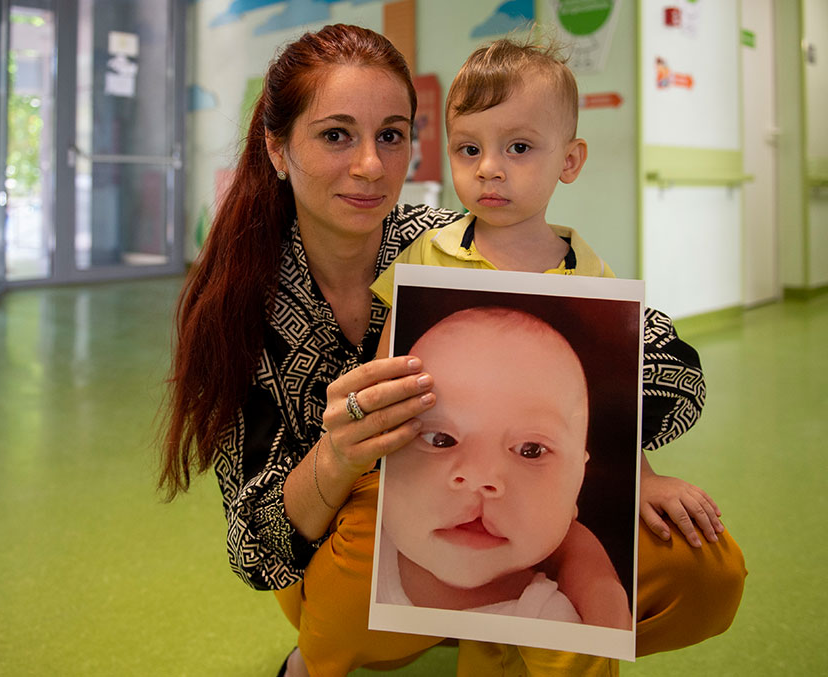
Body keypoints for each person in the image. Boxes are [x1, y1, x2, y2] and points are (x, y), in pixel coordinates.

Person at [158, 24, 744, 677]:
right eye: (335, 134)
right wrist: (336, 457)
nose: (370, 166)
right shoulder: (246, 301)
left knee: (698, 563)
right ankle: (337, 644)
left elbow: (669, 360)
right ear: (277, 148)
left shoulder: (470, 236)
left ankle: (501, 625)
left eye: (391, 134)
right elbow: (254, 548)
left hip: (517, 513)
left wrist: (608, 448)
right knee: (367, 522)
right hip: (346, 545)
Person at [370, 35, 744, 674]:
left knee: (583, 597)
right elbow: (388, 377)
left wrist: (644, 480)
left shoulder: (591, 276)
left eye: (518, 147)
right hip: (430, 484)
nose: (489, 167)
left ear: (569, 160)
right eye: (470, 148)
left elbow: (596, 412)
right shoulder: (426, 258)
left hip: (531, 503)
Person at [378, 306, 631, 631]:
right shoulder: (356, 543)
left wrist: (605, 594)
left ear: (577, 484)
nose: (481, 476)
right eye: (440, 438)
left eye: (531, 450)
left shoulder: (551, 621)